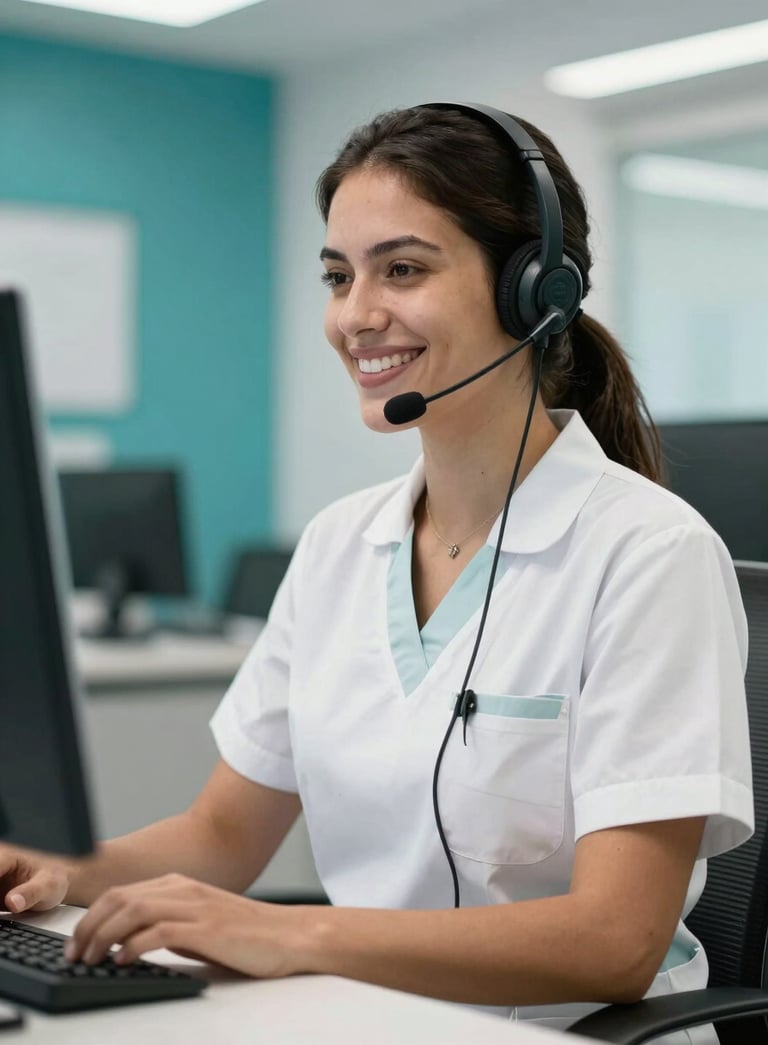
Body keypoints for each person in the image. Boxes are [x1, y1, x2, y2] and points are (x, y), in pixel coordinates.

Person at [0, 104, 753, 1039]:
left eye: (402, 269)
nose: (355, 315)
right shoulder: (336, 545)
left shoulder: (649, 554)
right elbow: (222, 835)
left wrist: (291, 934)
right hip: (365, 1017)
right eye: (338, 276)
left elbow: (617, 938)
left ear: (533, 291)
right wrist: (58, 868)